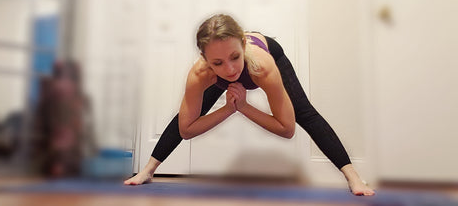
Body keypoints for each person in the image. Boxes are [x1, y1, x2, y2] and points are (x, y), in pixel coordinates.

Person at [124, 14, 375, 196]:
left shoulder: (263, 66)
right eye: (218, 63)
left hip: (266, 53)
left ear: (243, 46)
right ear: (205, 60)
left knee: (303, 111)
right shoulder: (201, 74)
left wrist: (244, 107)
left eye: (234, 57)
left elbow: (287, 129)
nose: (230, 69)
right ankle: (148, 169)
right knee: (190, 112)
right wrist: (227, 109)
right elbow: (186, 129)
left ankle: (352, 175)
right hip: (225, 64)